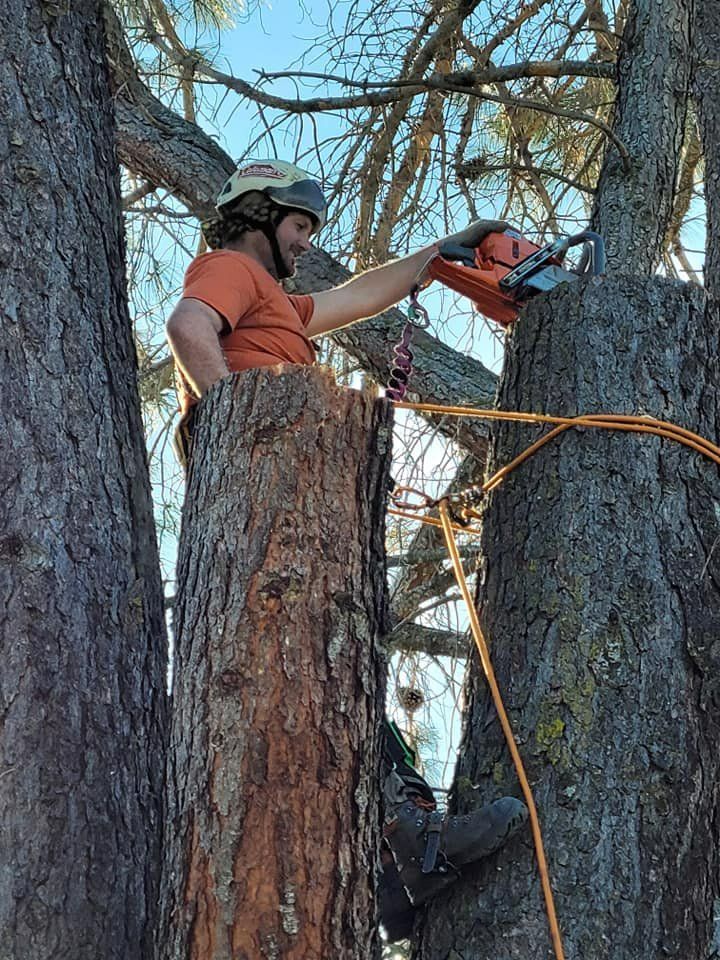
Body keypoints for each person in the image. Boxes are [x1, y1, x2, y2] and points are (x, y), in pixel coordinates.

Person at [165, 158, 528, 939]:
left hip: (290, 485)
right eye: (297, 227)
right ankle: (410, 843)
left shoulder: (280, 305)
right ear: (258, 216)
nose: (303, 243)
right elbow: (188, 327)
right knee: (319, 651)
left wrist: (437, 255)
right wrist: (235, 418)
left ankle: (389, 863)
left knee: (338, 669)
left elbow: (355, 297)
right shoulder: (231, 267)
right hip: (264, 480)